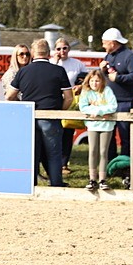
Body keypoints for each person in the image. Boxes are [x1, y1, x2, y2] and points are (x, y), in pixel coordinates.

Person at [6, 38, 73, 187]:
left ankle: (31, 184)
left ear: (33, 53)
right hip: (50, 116)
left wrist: (22, 106)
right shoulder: (58, 70)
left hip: (29, 117)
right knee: (54, 154)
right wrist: (60, 111)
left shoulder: (23, 71)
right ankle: (56, 183)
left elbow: (9, 96)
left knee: (32, 154)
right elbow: (69, 97)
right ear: (49, 53)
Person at [101, 27, 133, 161]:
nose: (102, 45)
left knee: (125, 135)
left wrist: (118, 78)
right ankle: (110, 161)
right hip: (109, 101)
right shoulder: (108, 56)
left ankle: (126, 164)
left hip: (124, 101)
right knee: (108, 133)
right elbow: (108, 74)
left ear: (112, 43)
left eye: (104, 42)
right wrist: (103, 71)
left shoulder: (130, 56)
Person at [51, 37, 86, 172]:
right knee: (54, 133)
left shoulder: (77, 64)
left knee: (67, 133)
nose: (62, 51)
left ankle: (64, 163)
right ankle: (53, 163)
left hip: (70, 101)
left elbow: (87, 79)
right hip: (54, 100)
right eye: (59, 48)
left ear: (69, 49)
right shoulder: (51, 63)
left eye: (64, 48)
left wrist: (81, 86)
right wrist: (55, 61)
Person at [79, 68, 118, 191]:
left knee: (103, 152)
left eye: (97, 81)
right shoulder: (86, 92)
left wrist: (99, 111)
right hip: (92, 125)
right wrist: (97, 111)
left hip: (106, 126)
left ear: (102, 81)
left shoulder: (107, 91)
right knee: (92, 151)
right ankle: (92, 179)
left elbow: (113, 106)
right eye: (92, 81)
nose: (94, 83)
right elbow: (83, 107)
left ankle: (102, 179)